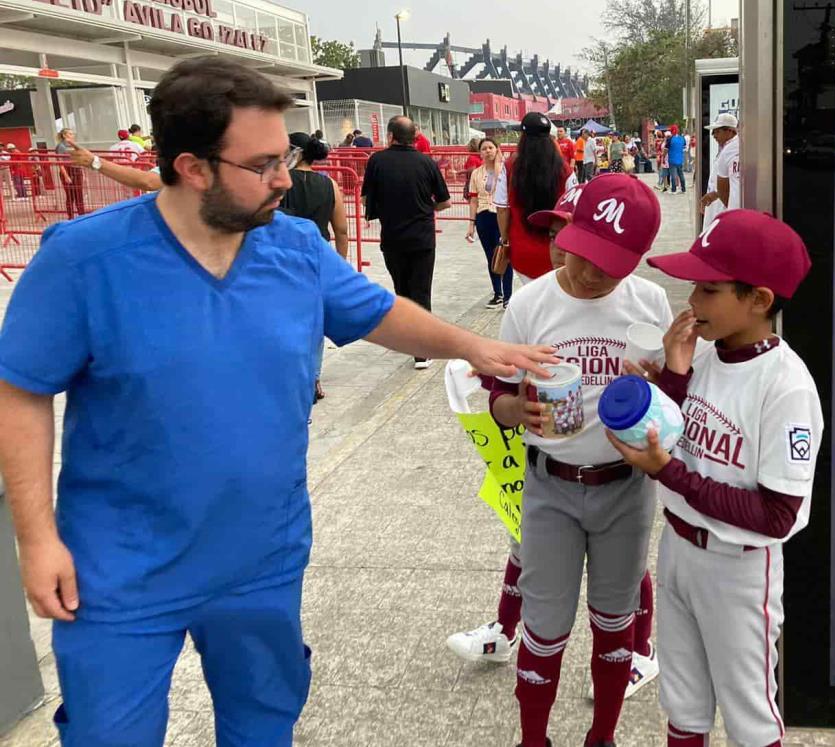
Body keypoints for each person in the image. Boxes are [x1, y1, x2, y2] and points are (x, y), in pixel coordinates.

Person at [0, 55, 557, 747]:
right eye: (262, 163)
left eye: (285, 154)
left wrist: (475, 347)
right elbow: (21, 389)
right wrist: (37, 537)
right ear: (192, 166)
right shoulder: (84, 259)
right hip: (120, 568)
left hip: (260, 556)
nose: (285, 179)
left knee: (263, 722)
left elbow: (377, 311)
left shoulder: (292, 246)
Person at [612, 209, 821, 747]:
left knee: (749, 714)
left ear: (759, 300)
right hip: (680, 547)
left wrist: (668, 473)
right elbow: (680, 437)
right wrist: (674, 377)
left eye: (708, 289)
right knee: (683, 704)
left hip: (738, 566)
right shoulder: (703, 355)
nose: (693, 302)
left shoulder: (786, 386)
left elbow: (777, 516)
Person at [446, 187, 662, 705]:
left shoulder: (647, 301)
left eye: (611, 265)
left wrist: (661, 386)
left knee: (615, 621)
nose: (591, 273)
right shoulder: (530, 302)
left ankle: (605, 730)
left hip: (624, 483)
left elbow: (675, 398)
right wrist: (516, 411)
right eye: (582, 253)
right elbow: (499, 395)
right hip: (550, 481)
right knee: (545, 623)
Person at [362, 115, 451, 370]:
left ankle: (407, 339)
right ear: (414, 137)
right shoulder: (426, 162)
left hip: (392, 237)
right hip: (423, 237)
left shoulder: (376, 161)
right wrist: (426, 207)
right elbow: (445, 202)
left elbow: (367, 200)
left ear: (390, 136)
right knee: (421, 291)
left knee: (401, 291)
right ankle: (422, 351)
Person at [280, 131, 351, 403]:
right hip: (318, 257)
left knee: (287, 319)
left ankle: (292, 377)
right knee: (314, 323)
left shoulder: (281, 182)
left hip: (284, 258)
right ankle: (314, 378)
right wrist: (340, 267)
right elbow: (341, 230)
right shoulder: (329, 184)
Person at [494, 111, 575, 281]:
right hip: (557, 252)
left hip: (522, 250)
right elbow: (573, 210)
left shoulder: (509, 167)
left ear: (523, 136)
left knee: (532, 297)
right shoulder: (564, 169)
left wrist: (505, 239)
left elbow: (502, 209)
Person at [465, 137, 513, 309]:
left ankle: (508, 295)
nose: (488, 151)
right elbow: (473, 200)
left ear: (497, 149)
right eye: (484, 148)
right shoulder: (477, 173)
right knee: (490, 256)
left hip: (501, 216)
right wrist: (471, 224)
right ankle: (497, 293)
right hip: (483, 217)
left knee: (504, 253)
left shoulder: (504, 171)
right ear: (480, 152)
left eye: (491, 148)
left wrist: (500, 162)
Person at [699, 113, 740, 229]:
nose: (713, 135)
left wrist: (724, 201)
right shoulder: (726, 148)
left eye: (717, 131)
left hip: (725, 208)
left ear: (730, 131)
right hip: (717, 205)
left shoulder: (735, 149)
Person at [70, 145, 162, 193]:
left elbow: (148, 182)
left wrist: (95, 162)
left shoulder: (114, 146)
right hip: (133, 174)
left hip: (127, 177)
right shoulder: (135, 144)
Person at [55, 128, 86, 220]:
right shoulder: (61, 146)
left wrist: (83, 173)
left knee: (79, 195)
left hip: (77, 170)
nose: (72, 135)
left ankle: (82, 216)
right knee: (70, 196)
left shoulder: (73, 145)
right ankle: (71, 217)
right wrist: (66, 175)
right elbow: (60, 162)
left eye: (72, 134)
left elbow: (80, 155)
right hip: (68, 170)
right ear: (64, 135)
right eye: (70, 134)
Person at [666, 124, 686, 194]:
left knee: (673, 175)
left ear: (671, 131)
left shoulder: (669, 139)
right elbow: (684, 148)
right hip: (680, 159)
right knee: (681, 175)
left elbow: (666, 150)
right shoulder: (682, 138)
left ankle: (674, 189)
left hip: (672, 159)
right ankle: (683, 189)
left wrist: (663, 156)